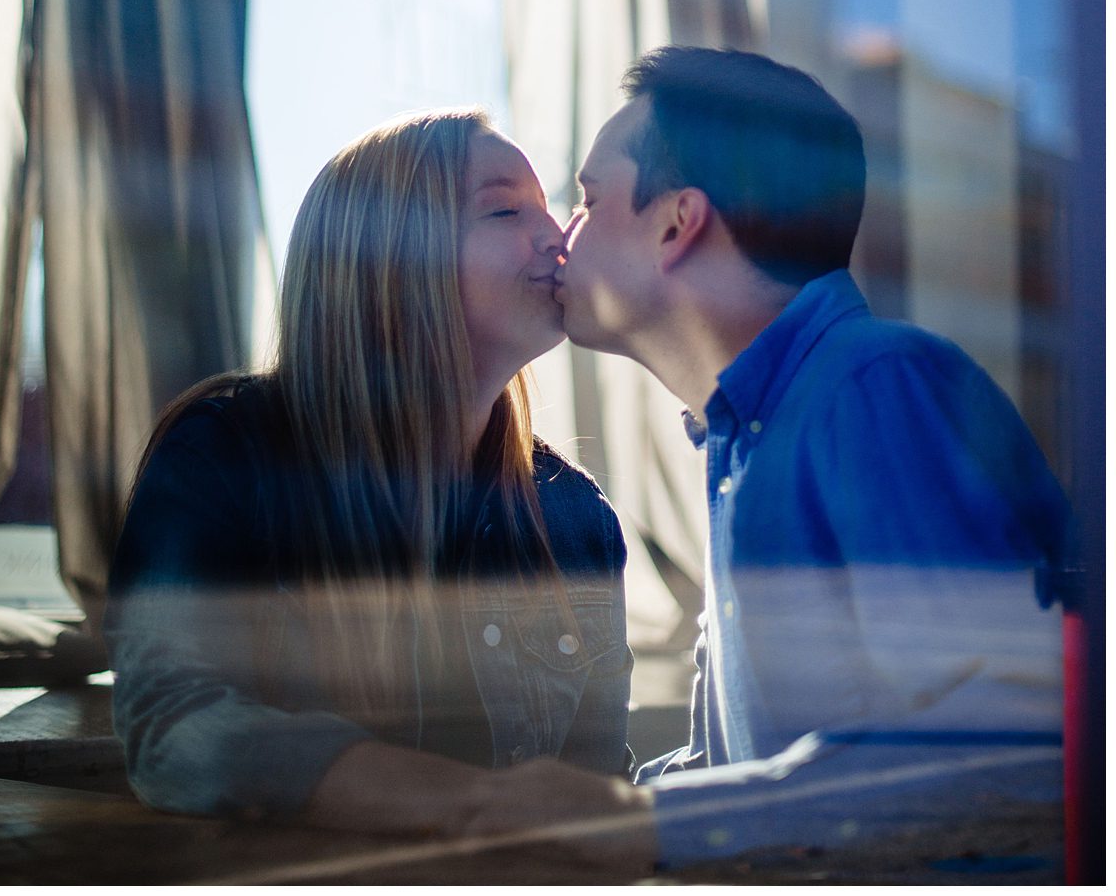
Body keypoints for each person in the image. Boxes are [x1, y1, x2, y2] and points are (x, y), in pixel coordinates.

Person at [555, 46, 1074, 866]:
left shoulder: (871, 386)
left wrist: (635, 826)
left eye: (586, 199)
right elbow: (746, 773)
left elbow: (1002, 753)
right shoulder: (749, 436)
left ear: (676, 223)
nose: (563, 230)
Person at [107, 110, 645, 851]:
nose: (557, 238)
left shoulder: (578, 517)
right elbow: (174, 726)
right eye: (504, 209)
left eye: (549, 209)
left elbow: (592, 808)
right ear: (387, 255)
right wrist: (478, 803)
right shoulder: (225, 454)